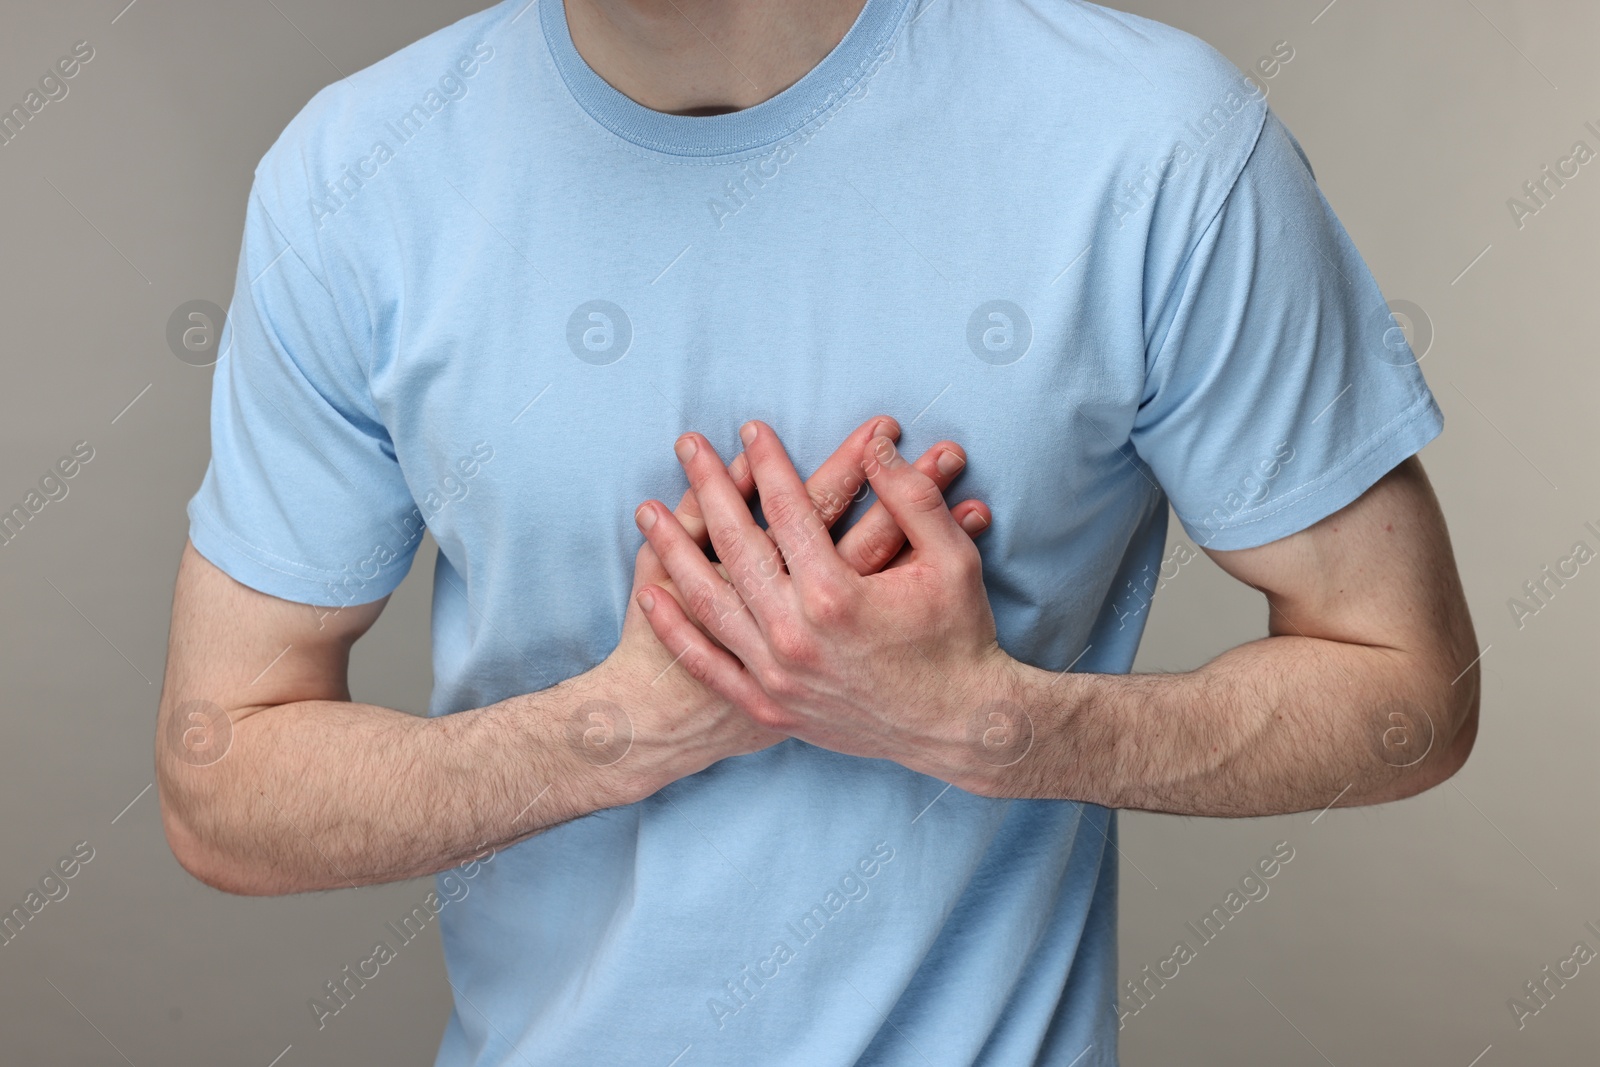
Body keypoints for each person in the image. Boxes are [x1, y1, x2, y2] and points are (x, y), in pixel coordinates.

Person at [156, 1, 1480, 1063]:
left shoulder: (1154, 145)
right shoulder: (355, 178)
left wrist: (995, 723)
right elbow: (220, 789)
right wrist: (618, 727)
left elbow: (1411, 687)